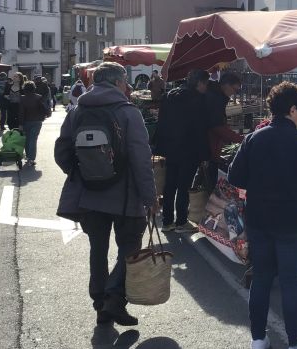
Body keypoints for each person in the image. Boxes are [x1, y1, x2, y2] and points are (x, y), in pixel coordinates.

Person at [227, 81, 297, 349]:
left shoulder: (254, 139)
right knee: (290, 282)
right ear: (292, 109)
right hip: (291, 222)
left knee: (261, 277)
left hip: (259, 218)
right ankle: (295, 348)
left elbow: (236, 177)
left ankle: (258, 340)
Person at [55, 62, 156, 327]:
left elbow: (61, 151)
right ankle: (114, 298)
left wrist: (83, 172)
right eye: (126, 81)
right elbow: (141, 158)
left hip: (88, 194)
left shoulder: (77, 110)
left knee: (97, 248)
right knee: (130, 247)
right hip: (125, 194)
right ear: (119, 82)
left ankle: (100, 302)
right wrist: (150, 197)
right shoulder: (127, 112)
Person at [154, 68, 211, 232]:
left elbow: (161, 122)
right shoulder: (197, 100)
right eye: (206, 84)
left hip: (170, 147)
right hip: (189, 148)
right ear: (200, 83)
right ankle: (181, 222)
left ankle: (166, 222)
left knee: (170, 184)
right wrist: (204, 154)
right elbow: (200, 129)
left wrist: (160, 146)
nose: (206, 87)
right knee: (184, 185)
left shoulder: (170, 95)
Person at [206, 72, 243, 172]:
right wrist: (239, 139)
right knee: (208, 177)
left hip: (211, 145)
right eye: (234, 89)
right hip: (208, 146)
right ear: (226, 85)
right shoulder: (215, 98)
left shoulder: (218, 96)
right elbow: (216, 125)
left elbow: (219, 121)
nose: (234, 93)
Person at [19, 80, 51, 167]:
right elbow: (44, 108)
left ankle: (28, 156)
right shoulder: (39, 97)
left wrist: (20, 124)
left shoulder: (22, 98)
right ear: (34, 88)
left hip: (26, 121)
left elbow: (21, 112)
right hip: (37, 121)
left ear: (24, 89)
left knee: (27, 139)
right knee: (33, 139)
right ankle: (31, 159)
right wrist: (46, 114)